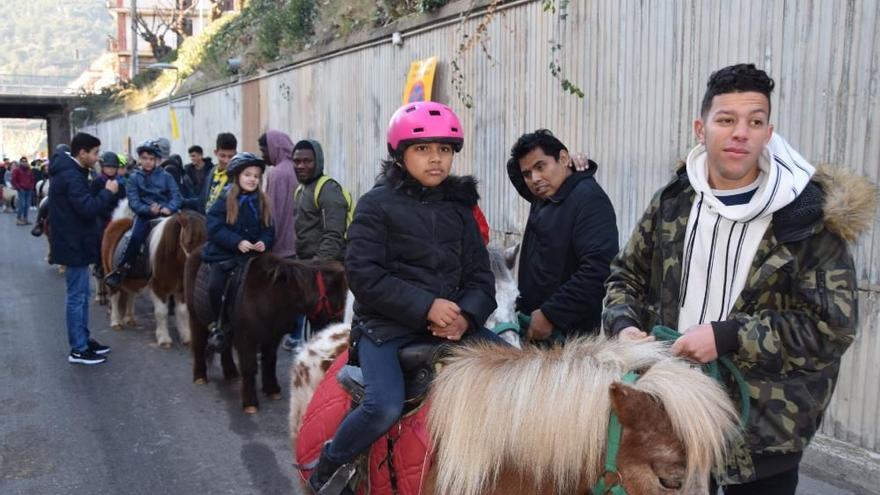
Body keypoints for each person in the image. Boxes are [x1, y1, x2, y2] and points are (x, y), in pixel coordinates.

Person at [602, 64, 861, 494]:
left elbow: (831, 327)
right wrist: (622, 325)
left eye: (754, 121)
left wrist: (729, 336)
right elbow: (625, 275)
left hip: (761, 439)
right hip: (671, 422)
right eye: (727, 120)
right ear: (701, 129)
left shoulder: (805, 219)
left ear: (768, 132)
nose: (741, 132)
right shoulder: (674, 201)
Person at [308, 101, 500, 493]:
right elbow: (364, 276)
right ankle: (330, 464)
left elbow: (481, 277)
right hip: (386, 329)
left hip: (452, 327)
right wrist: (425, 307)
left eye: (444, 150)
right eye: (423, 149)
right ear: (400, 155)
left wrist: (467, 315)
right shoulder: (375, 205)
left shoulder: (460, 208)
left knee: (517, 372)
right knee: (383, 407)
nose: (436, 159)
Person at [506, 130, 618, 340]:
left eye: (541, 167)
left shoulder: (589, 200)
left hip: (569, 339)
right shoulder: (545, 194)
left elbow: (599, 268)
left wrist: (552, 314)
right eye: (528, 174)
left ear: (563, 158)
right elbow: (514, 170)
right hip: (535, 328)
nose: (535, 179)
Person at [48, 133, 118, 365]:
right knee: (77, 297)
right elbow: (87, 208)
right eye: (95, 153)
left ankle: (84, 340)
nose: (98, 158)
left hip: (76, 242)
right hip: (73, 244)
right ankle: (78, 349)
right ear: (82, 153)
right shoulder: (71, 175)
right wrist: (108, 192)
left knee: (82, 296)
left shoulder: (74, 171)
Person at [201, 153, 275, 351]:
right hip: (225, 254)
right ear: (237, 177)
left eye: (256, 176)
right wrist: (236, 242)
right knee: (215, 286)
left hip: (251, 256)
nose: (252, 179)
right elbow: (214, 227)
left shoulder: (263, 202)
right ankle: (219, 324)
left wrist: (263, 242)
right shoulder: (224, 199)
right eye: (247, 174)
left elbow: (269, 229)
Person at [104, 140, 181, 288]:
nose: (148, 162)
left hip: (166, 215)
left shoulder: (166, 176)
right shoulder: (133, 178)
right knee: (135, 238)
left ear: (157, 160)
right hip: (145, 216)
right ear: (139, 159)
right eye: (144, 158)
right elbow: (134, 202)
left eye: (151, 159)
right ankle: (122, 269)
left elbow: (176, 196)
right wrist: (148, 210)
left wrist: (169, 208)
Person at [292, 139, 348, 261]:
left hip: (325, 268)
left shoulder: (328, 189)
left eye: (307, 161)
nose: (301, 166)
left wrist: (317, 266)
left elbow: (333, 235)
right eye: (297, 161)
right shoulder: (300, 190)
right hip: (307, 264)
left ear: (318, 162)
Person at [260, 130, 298, 258]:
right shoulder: (297, 168)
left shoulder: (277, 173)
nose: (263, 156)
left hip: (281, 247)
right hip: (298, 244)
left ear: (274, 148)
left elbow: (272, 213)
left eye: (264, 151)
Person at [206, 133, 238, 210]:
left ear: (236, 154)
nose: (226, 161)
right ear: (215, 153)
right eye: (222, 156)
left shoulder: (238, 176)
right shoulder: (211, 172)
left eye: (230, 156)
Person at [180, 145, 214, 213]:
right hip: (191, 208)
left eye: (193, 156)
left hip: (207, 207)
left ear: (200, 156)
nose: (192, 158)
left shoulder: (211, 170)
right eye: (190, 156)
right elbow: (185, 190)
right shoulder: (187, 172)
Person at [11, 157, 36, 225]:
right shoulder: (17, 170)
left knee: (27, 205)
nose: (24, 162)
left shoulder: (29, 170)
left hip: (28, 189)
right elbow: (13, 180)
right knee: (22, 205)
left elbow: (32, 179)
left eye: (25, 161)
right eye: (22, 161)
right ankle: (19, 219)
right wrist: (18, 187)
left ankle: (25, 219)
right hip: (22, 189)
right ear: (20, 162)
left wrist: (31, 186)